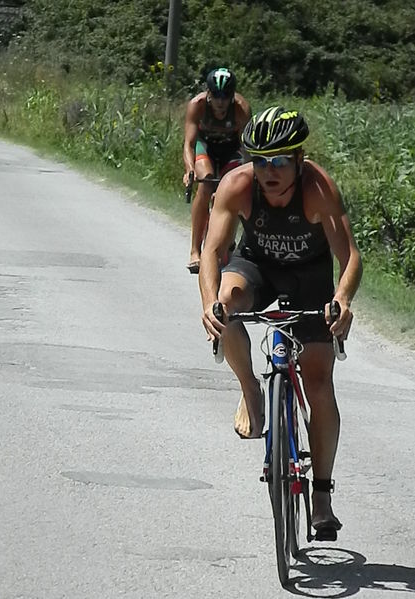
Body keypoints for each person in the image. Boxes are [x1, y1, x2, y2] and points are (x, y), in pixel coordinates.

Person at [198, 106, 363, 540]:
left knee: (319, 381)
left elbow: (350, 258)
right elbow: (213, 250)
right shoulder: (237, 185)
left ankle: (322, 496)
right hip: (257, 267)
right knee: (227, 303)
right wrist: (210, 303)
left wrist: (341, 300)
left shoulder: (317, 187)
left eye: (279, 161)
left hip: (310, 277)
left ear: (298, 159)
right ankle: (252, 391)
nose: (268, 171)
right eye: (260, 160)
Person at [183, 67, 252, 273]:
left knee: (234, 188)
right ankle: (195, 251)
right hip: (205, 147)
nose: (221, 102)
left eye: (226, 96)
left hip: (231, 149)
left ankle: (228, 241)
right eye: (216, 96)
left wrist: (249, 173)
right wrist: (189, 170)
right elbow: (189, 143)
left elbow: (247, 147)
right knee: (205, 184)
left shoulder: (241, 108)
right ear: (208, 94)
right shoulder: (197, 105)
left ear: (232, 96)